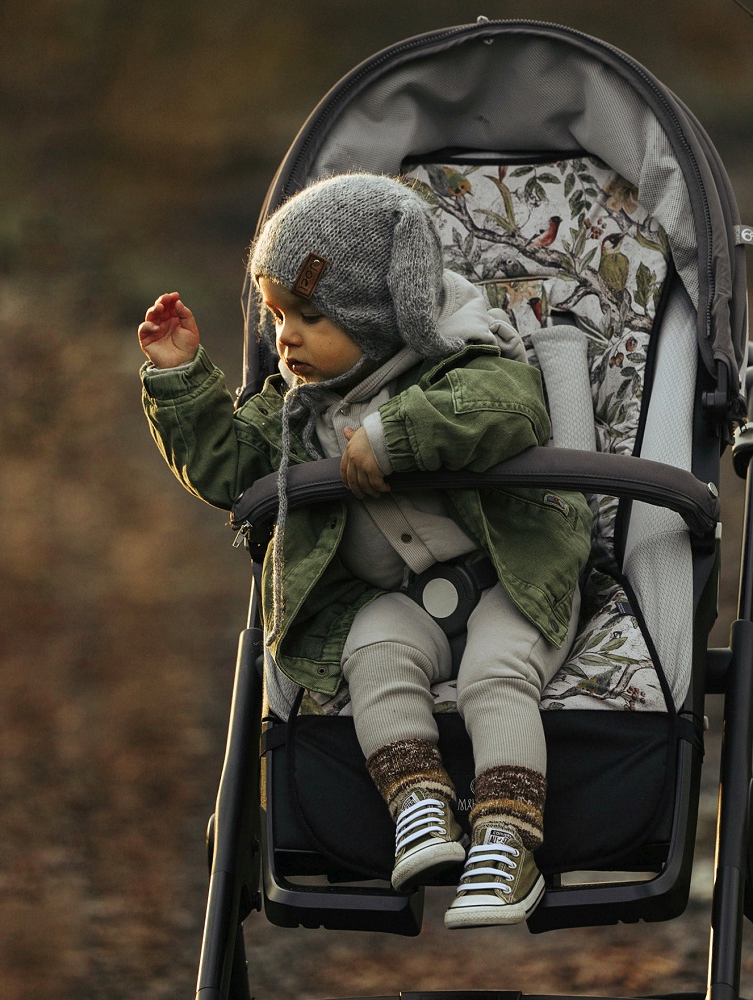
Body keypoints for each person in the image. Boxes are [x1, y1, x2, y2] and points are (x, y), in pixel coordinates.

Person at [138, 173, 591, 928]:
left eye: (310, 316)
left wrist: (395, 435)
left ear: (379, 316)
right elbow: (228, 469)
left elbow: (506, 409)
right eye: (278, 315)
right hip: (394, 600)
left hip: (509, 573)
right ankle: (421, 804)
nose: (285, 338)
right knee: (372, 654)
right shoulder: (296, 410)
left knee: (494, 672)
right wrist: (179, 377)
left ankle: (508, 836)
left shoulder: (466, 358)